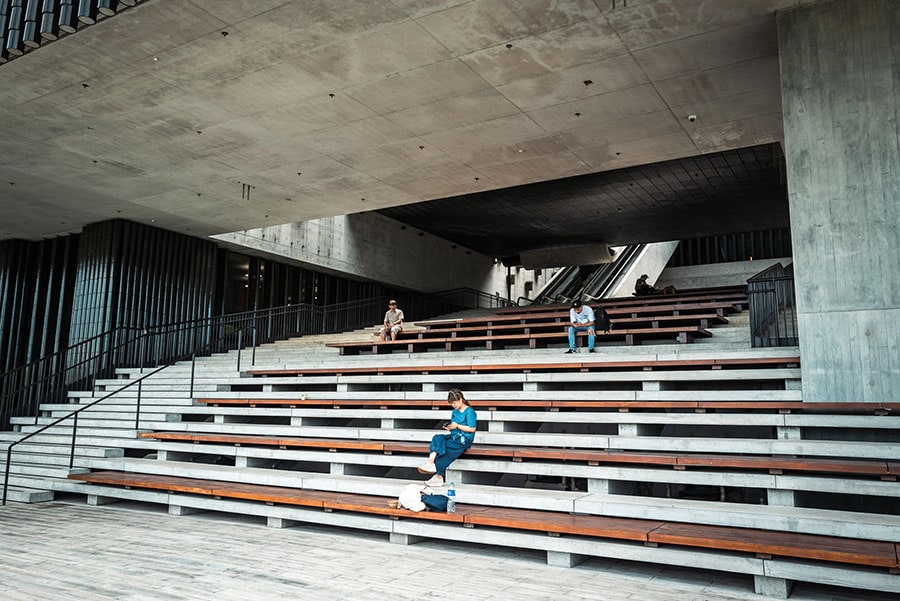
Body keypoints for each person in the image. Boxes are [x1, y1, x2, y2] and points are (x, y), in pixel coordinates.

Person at [417, 389, 476, 487]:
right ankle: (430, 462)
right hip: (454, 436)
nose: (454, 405)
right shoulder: (454, 412)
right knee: (437, 438)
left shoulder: (469, 412)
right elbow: (454, 425)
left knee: (445, 450)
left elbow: (472, 429)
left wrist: (457, 426)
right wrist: (450, 427)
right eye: (452, 403)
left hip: (464, 439)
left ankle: (438, 476)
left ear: (461, 399)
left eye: (455, 402)